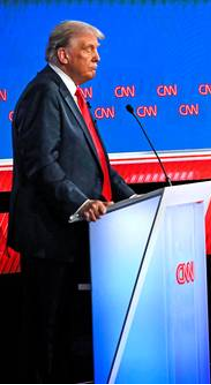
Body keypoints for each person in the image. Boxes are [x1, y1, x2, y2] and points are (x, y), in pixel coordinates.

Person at [8, 21, 135, 383]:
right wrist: (80, 204)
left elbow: (97, 163)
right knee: (44, 336)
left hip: (74, 237)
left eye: (97, 50)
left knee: (67, 333)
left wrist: (135, 198)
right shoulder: (44, 93)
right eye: (88, 49)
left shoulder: (74, 95)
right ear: (64, 55)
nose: (96, 57)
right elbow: (40, 163)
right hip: (49, 237)